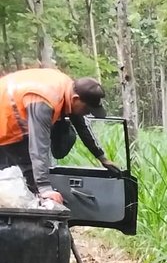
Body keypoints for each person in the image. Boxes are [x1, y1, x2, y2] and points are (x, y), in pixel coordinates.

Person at [0, 68, 119, 205]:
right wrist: (44, 187)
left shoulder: (69, 88)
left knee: (22, 179)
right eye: (87, 109)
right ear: (76, 99)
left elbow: (82, 127)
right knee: (26, 174)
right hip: (6, 124)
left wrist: (102, 158)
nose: (87, 113)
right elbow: (39, 147)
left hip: (12, 121)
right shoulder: (44, 102)